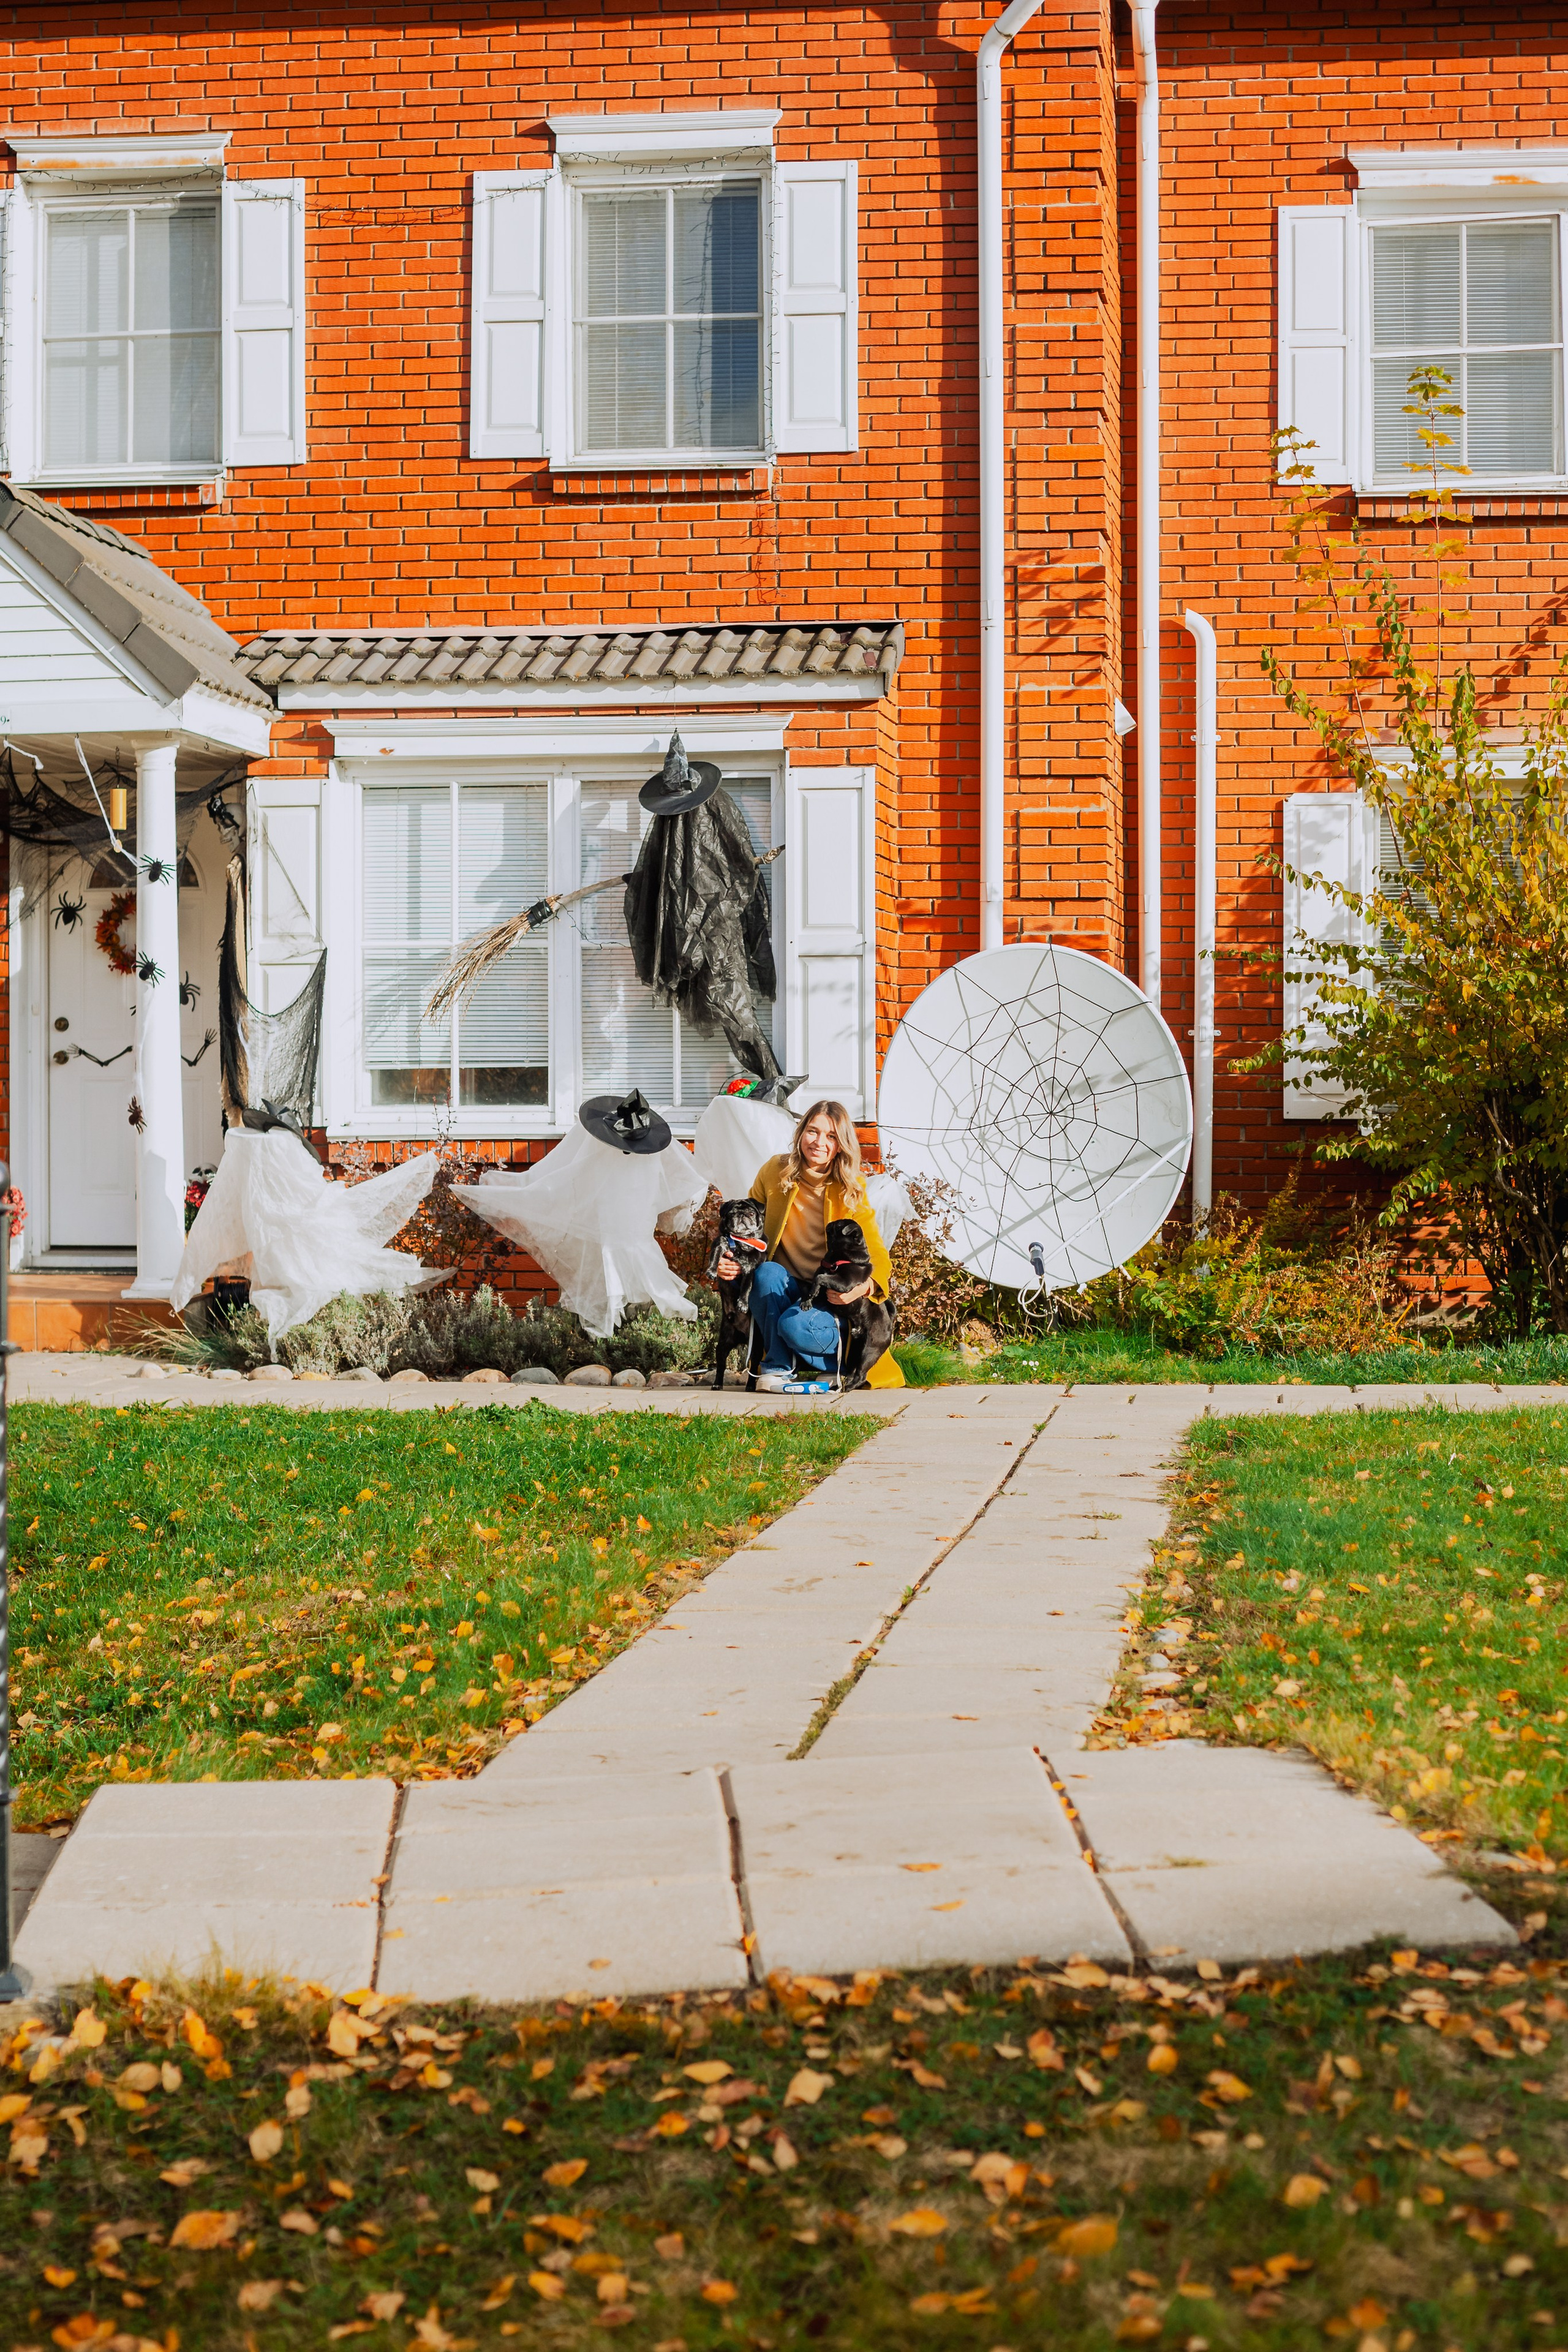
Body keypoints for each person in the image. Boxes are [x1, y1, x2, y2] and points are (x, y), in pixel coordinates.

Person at [715, 1098, 904, 1390]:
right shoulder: (774, 1172)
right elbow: (747, 1229)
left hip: (825, 1295)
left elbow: (876, 1250)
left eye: (831, 1136)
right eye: (813, 1132)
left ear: (841, 1145)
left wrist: (864, 1287)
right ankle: (777, 1368)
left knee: (794, 1326)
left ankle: (839, 1365)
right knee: (765, 1274)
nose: (819, 1142)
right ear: (801, 1133)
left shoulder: (851, 1186)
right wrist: (728, 1260)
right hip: (784, 1288)